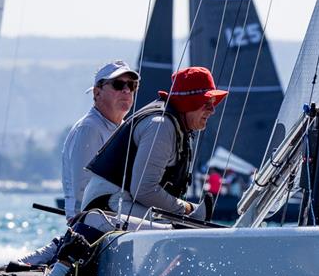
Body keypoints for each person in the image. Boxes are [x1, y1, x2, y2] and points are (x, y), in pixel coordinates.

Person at [81, 66, 228, 221]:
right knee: (180, 230)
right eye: (207, 103)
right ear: (189, 102)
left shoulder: (174, 124)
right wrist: (187, 209)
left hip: (122, 205)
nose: (212, 110)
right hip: (107, 207)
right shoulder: (161, 126)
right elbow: (143, 190)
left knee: (185, 228)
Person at [61, 60, 140, 218]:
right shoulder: (89, 129)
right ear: (97, 93)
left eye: (131, 86)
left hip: (113, 216)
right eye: (118, 85)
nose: (126, 91)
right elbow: (83, 191)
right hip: (90, 222)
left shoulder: (123, 129)